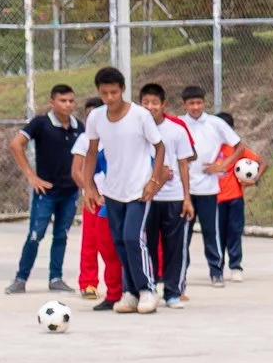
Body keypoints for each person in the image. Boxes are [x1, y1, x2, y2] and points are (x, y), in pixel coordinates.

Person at [73, 66, 167, 314]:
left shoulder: (140, 115)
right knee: (118, 242)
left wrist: (153, 182)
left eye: (114, 92)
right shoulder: (96, 118)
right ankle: (130, 292)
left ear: (122, 90)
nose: (110, 98)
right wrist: (89, 186)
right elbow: (91, 152)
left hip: (138, 190)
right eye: (104, 93)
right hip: (112, 191)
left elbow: (160, 148)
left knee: (133, 238)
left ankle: (148, 289)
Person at [6, 84, 82, 295]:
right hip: (46, 192)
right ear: (52, 102)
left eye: (71, 101)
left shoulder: (79, 127)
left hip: (70, 192)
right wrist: (31, 175)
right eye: (62, 100)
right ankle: (21, 278)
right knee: (35, 234)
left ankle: (55, 278)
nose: (67, 105)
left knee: (62, 235)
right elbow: (16, 144)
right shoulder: (41, 123)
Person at [136, 83, 198, 309]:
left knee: (175, 247)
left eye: (155, 103)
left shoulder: (176, 130)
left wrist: (187, 198)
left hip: (173, 198)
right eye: (146, 102)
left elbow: (183, 164)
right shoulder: (136, 127)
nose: (150, 107)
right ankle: (149, 289)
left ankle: (173, 291)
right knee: (146, 247)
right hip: (145, 197)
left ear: (164, 105)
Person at [176, 86, 241, 287]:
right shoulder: (178, 124)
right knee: (182, 234)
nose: (195, 107)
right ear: (184, 104)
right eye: (191, 103)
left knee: (211, 232)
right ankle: (180, 273)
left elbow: (239, 146)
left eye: (199, 103)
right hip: (184, 189)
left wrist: (222, 164)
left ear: (204, 103)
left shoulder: (215, 123)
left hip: (208, 189)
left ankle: (216, 270)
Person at [72, 147, 124, 308]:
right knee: (99, 245)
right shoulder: (90, 141)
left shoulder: (129, 138)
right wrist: (93, 192)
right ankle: (99, 287)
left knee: (128, 245)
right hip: (102, 203)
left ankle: (133, 290)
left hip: (129, 202)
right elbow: (81, 171)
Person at [211, 119, 263, 281]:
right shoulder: (208, 148)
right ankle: (217, 267)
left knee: (234, 232)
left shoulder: (236, 149)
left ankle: (235, 266)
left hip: (235, 198)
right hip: (214, 199)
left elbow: (262, 163)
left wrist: (254, 180)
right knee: (216, 234)